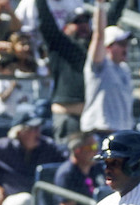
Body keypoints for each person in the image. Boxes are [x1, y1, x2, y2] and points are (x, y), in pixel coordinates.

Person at [0, 107, 66, 205]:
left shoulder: (47, 146)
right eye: (32, 129)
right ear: (19, 131)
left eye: (39, 128)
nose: (38, 132)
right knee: (24, 201)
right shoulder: (2, 148)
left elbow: (68, 161)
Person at [34, 0, 92, 141]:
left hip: (91, 120)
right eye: (77, 22)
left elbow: (112, 17)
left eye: (86, 21)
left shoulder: (94, 49)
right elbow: (45, 20)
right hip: (67, 118)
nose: (83, 25)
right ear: (66, 27)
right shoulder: (58, 44)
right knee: (67, 159)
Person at [80, 0, 133, 135]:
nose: (125, 47)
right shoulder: (100, 65)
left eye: (126, 43)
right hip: (99, 132)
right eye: (121, 43)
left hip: (120, 133)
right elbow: (98, 36)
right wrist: (100, 5)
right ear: (108, 47)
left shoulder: (124, 69)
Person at [54, 131, 102, 205]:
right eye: (92, 147)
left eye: (97, 146)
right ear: (77, 150)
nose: (97, 151)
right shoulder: (66, 173)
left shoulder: (97, 168)